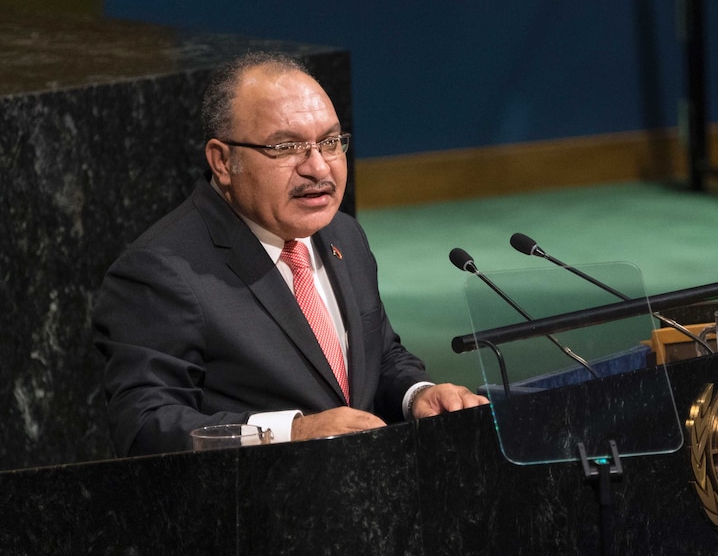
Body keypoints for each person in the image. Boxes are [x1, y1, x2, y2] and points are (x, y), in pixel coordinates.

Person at [93, 51, 487, 457]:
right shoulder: (160, 271)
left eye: (330, 143)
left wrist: (417, 395)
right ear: (223, 161)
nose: (318, 168)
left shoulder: (343, 234)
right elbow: (144, 425)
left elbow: (379, 357)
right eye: (286, 147)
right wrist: (289, 433)